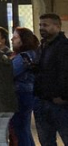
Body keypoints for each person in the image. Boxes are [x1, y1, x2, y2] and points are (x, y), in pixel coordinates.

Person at [32, 13, 68, 146]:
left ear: (57, 26)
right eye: (40, 25)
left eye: (45, 25)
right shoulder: (42, 47)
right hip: (42, 100)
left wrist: (63, 96)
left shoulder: (64, 47)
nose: (42, 28)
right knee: (46, 141)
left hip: (60, 104)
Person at [10, 27, 39, 146]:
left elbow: (10, 72)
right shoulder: (31, 54)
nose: (12, 39)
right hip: (26, 93)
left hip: (21, 95)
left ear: (23, 40)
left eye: (15, 37)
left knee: (20, 129)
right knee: (24, 129)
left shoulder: (24, 57)